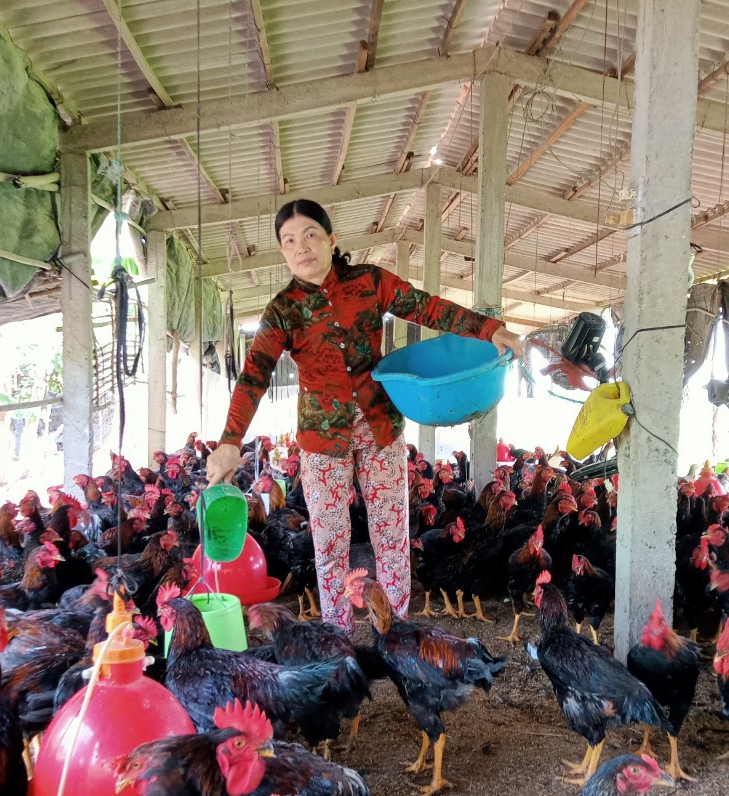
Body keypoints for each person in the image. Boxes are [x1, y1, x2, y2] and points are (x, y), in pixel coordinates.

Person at [205, 198, 523, 629]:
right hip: (322, 443)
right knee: (329, 544)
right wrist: (230, 440)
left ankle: (396, 634)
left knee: (392, 537)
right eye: (289, 241)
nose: (302, 247)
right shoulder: (282, 310)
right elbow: (253, 376)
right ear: (282, 251)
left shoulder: (369, 282)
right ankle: (338, 635)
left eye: (311, 235)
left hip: (380, 428)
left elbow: (426, 306)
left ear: (331, 239)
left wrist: (488, 329)